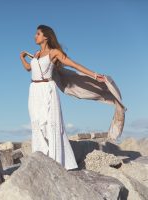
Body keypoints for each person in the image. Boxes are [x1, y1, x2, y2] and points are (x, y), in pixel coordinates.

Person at [20, 24, 106, 171]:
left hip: (48, 89)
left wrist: (94, 74)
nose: (35, 36)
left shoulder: (54, 52)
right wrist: (22, 58)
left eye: (38, 34)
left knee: (51, 124)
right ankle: (41, 159)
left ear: (46, 36)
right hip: (34, 90)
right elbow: (29, 69)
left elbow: (73, 64)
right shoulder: (36, 54)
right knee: (37, 124)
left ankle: (57, 162)